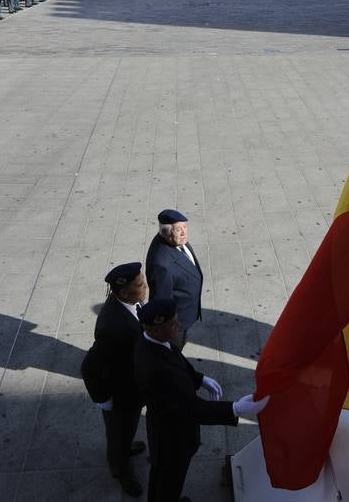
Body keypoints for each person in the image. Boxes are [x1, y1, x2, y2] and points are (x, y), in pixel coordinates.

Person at [131, 298, 267, 502]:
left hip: (168, 428)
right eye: (173, 324)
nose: (178, 325)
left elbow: (178, 361)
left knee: (162, 479)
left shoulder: (154, 341)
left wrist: (199, 378)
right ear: (156, 330)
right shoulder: (156, 368)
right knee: (170, 481)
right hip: (172, 439)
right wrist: (236, 409)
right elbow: (191, 409)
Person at [81, 263, 149, 497]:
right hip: (121, 395)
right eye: (140, 285)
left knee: (126, 431)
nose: (146, 287)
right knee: (118, 434)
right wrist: (103, 400)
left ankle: (126, 448)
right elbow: (89, 367)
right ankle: (121, 470)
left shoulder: (132, 303)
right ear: (123, 292)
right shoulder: (112, 326)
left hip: (133, 388)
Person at [145, 209, 204, 349]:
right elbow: (162, 302)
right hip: (176, 326)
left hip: (185, 316)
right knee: (173, 354)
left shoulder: (175, 241)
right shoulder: (161, 265)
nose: (184, 232)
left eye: (185, 227)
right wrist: (169, 329)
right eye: (178, 229)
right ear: (165, 232)